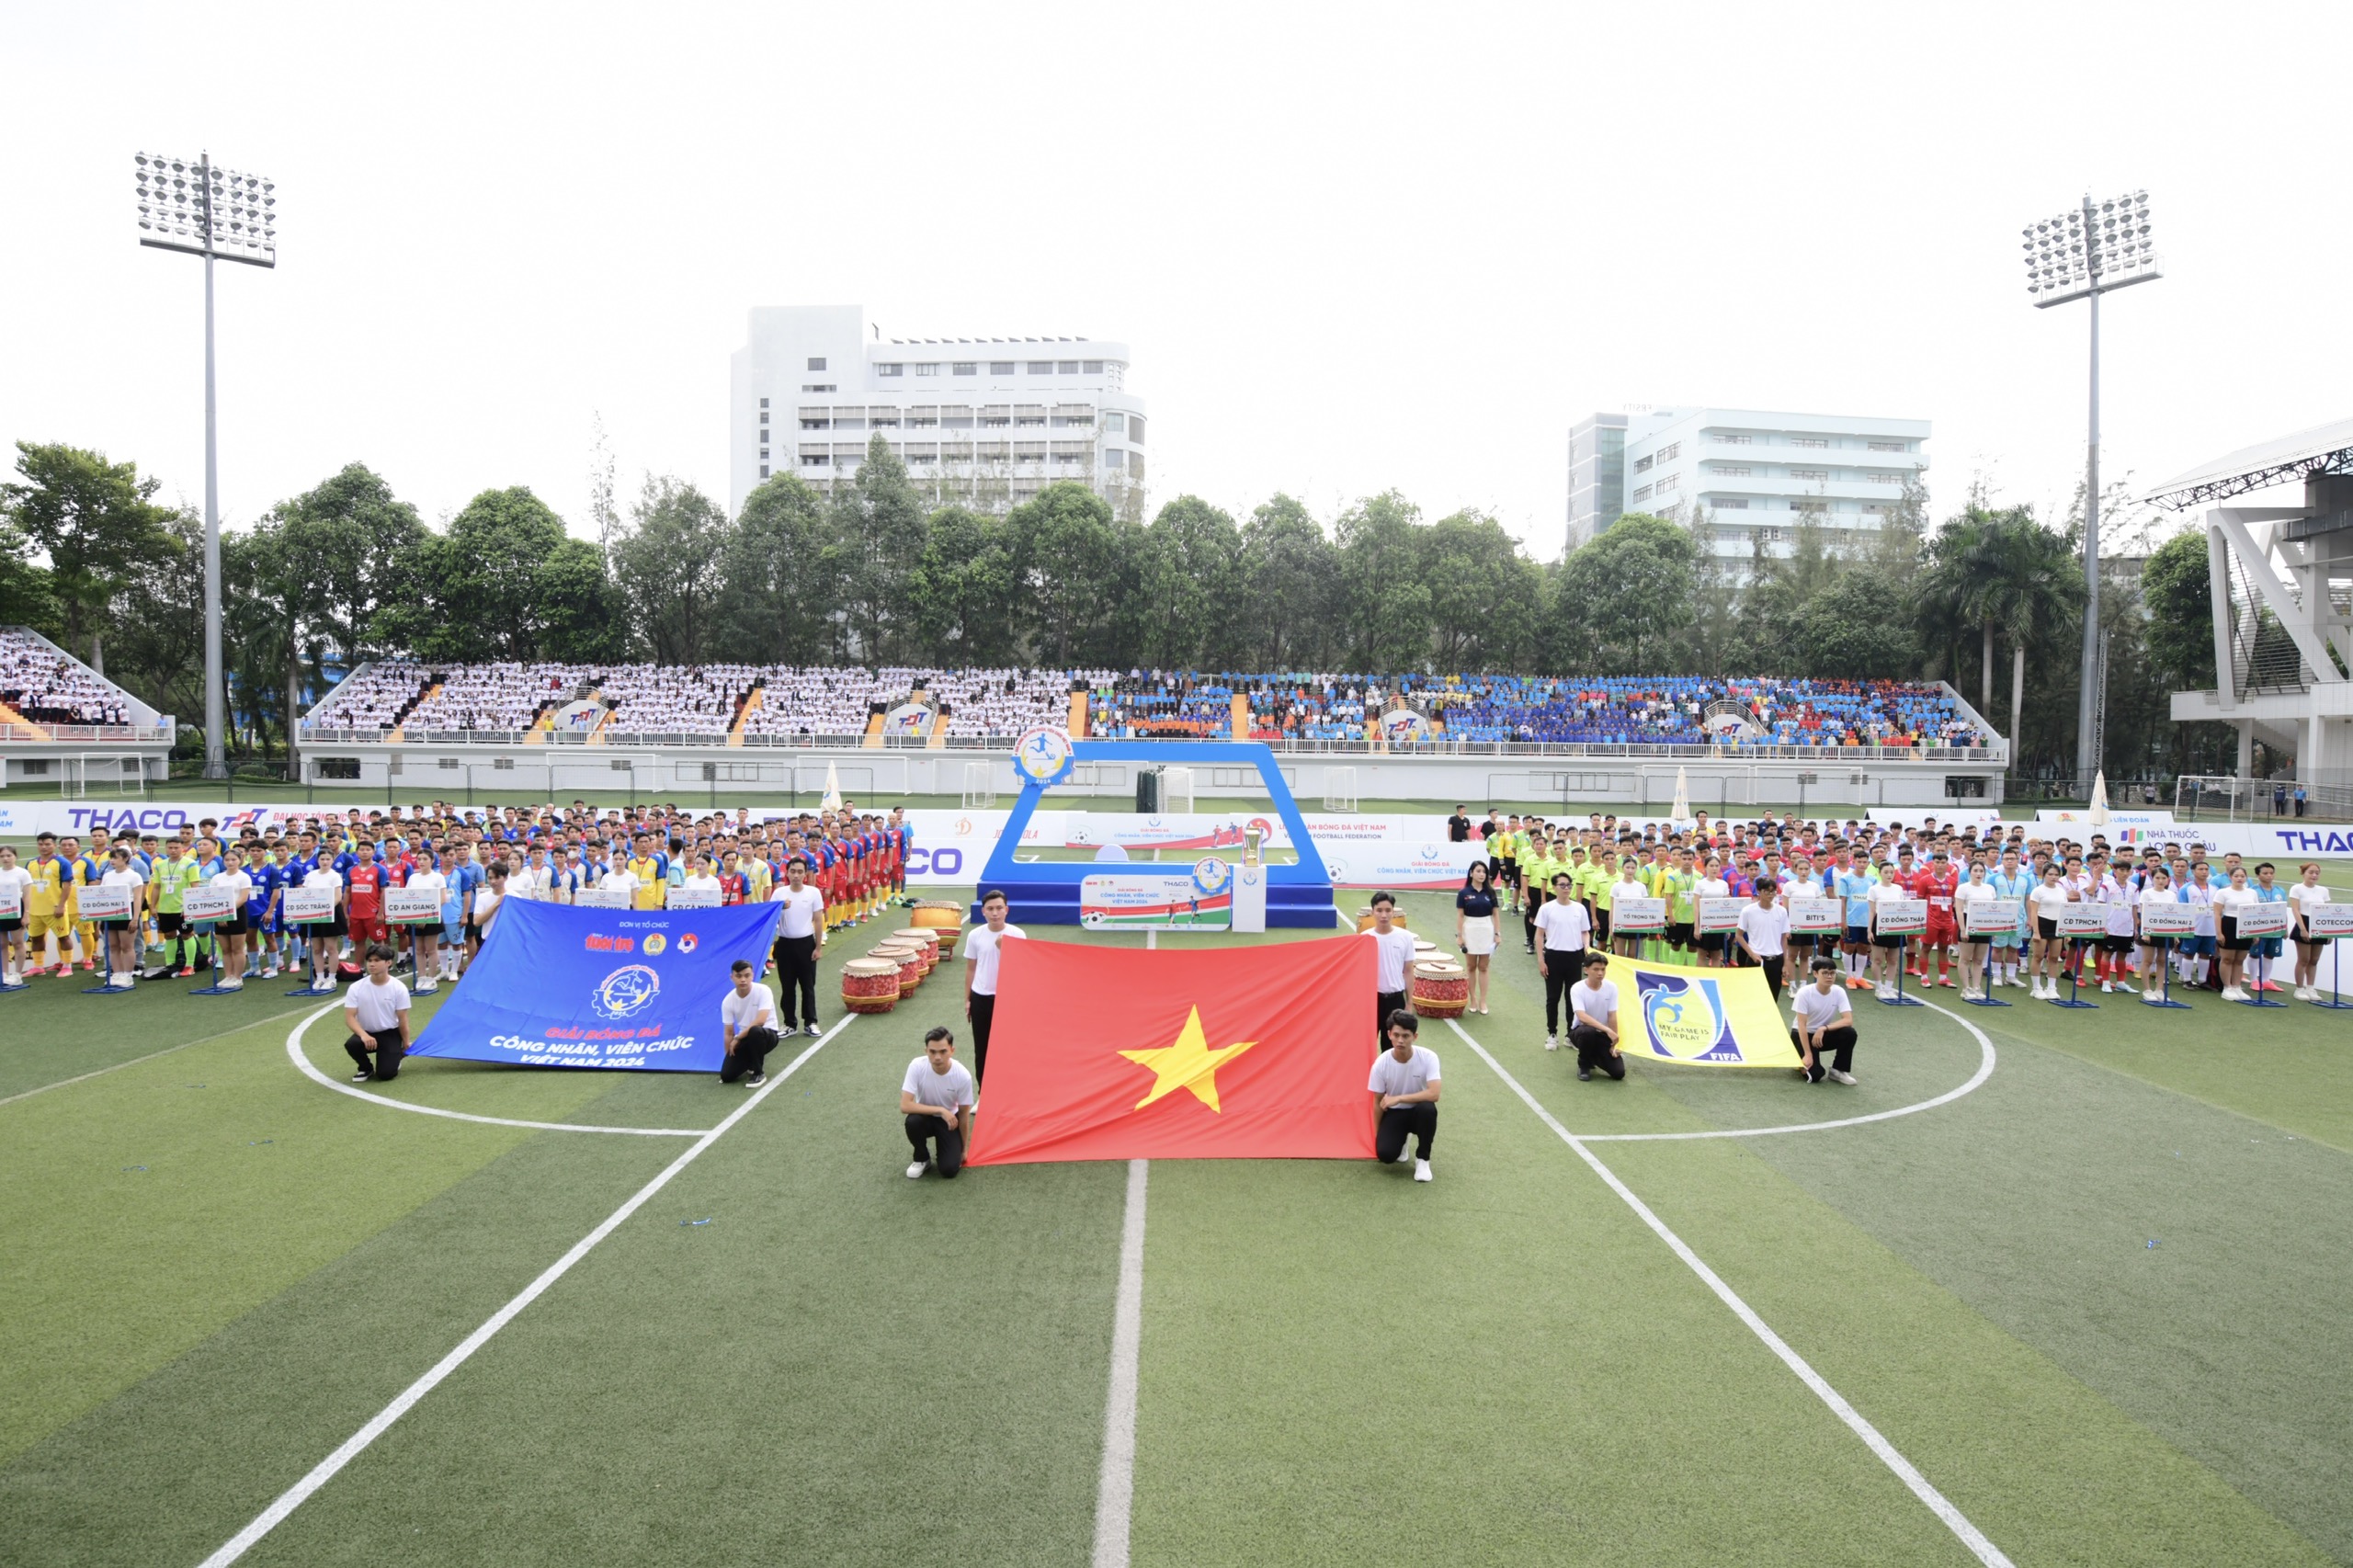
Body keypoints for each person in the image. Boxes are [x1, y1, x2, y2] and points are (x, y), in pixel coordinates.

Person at [1369, 1010, 1439, 1181]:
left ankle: (1423, 1160)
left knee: (1428, 1109)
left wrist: (1399, 1098)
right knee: (1385, 1155)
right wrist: (1379, 1136)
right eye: (1396, 1035)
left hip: (1418, 1111)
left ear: (1415, 1036)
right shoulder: (1380, 1064)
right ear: (1389, 1035)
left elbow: (1434, 1093)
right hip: (1395, 1114)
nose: (1400, 1040)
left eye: (1406, 1036)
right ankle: (1402, 1142)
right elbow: (1377, 1101)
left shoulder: (1429, 1057)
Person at [964, 889, 1025, 1084]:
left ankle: (1007, 1092)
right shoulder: (975, 935)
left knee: (1008, 1048)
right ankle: (984, 1094)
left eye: (999, 908)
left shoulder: (1017, 934)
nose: (995, 913)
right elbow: (971, 969)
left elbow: (1022, 968)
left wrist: (1004, 948)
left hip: (1008, 999)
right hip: (980, 998)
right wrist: (967, 999)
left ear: (1006, 909)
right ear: (983, 911)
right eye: (990, 909)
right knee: (982, 1049)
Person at [902, 1025, 976, 1179]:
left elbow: (963, 1114)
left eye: (943, 1051)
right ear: (926, 1051)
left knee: (949, 1170)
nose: (937, 1057)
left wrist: (963, 1149)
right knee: (912, 1121)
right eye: (932, 1052)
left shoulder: (962, 1076)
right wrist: (941, 1110)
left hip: (950, 1121)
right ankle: (922, 1159)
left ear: (952, 1050)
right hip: (927, 1117)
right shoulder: (916, 1066)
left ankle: (947, 1151)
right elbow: (905, 1105)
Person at [768, 855, 826, 1035]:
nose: (796, 875)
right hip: (785, 945)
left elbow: (818, 920)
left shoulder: (813, 892)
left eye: (800, 872)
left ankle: (811, 1022)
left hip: (806, 944)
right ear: (787, 873)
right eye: (793, 871)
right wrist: (779, 908)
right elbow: (770, 919)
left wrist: (818, 947)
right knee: (787, 987)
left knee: (808, 986)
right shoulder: (779, 893)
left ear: (805, 874)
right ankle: (789, 1024)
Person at [1534, 872, 1593, 1050]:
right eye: (1562, 885)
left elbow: (1585, 931)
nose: (1566, 888)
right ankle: (1552, 1034)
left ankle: (1571, 1034)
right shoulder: (1546, 908)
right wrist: (1541, 960)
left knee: (1572, 998)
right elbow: (1539, 934)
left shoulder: (1580, 908)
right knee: (1553, 998)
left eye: (1569, 885)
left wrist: (1587, 948)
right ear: (1554, 888)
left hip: (1575, 957)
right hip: (1553, 956)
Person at [342, 941, 412, 1082]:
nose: (371, 964)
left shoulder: (399, 988)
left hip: (390, 1033)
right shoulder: (356, 987)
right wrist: (363, 1035)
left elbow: (402, 1019)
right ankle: (365, 1068)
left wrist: (406, 1042)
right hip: (367, 1033)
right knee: (352, 1044)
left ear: (388, 963)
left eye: (377, 960)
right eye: (369, 960)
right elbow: (350, 1017)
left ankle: (396, 1056)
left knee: (385, 1075)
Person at [1790, 957, 1858, 1085]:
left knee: (1849, 1033)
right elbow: (1801, 1025)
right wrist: (1808, 1054)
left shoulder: (1838, 991)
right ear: (1815, 974)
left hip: (1820, 1035)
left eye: (1832, 973)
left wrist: (1823, 1028)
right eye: (1825, 973)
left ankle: (1838, 1070)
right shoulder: (1804, 993)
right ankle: (1799, 1059)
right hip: (1802, 1035)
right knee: (1815, 1075)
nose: (1829, 976)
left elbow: (1848, 1020)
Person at [719, 958, 781, 1086]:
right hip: (746, 1038)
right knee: (726, 1076)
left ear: (752, 976)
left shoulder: (764, 991)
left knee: (755, 1031)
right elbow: (728, 1033)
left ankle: (758, 1072)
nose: (743, 980)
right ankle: (750, 1061)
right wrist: (729, 1057)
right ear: (732, 977)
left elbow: (760, 1021)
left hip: (767, 1034)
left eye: (747, 976)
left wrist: (737, 1039)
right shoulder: (728, 1001)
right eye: (739, 976)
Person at [1564, 951, 1625, 1082]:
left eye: (1603, 969)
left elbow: (1612, 1015)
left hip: (1603, 1035)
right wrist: (1608, 1030)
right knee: (1588, 1032)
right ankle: (1584, 1065)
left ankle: (1592, 1055)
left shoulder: (1612, 987)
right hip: (1581, 1032)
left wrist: (1613, 1044)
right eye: (1596, 969)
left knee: (1618, 1073)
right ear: (1586, 970)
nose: (1600, 973)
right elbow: (1582, 1017)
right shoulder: (1577, 988)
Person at [1364, 892, 1416, 1041]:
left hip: (1396, 1001)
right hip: (1372, 1000)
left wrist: (1409, 1003)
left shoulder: (1405, 937)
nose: (1384, 915)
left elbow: (1408, 971)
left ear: (1393, 912)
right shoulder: (1365, 938)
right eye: (1379, 910)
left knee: (1392, 1047)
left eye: (1388, 910)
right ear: (1372, 911)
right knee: (1366, 1044)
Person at [207, 846, 256, 989]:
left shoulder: (243, 877)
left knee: (237, 948)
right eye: (227, 860)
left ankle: (237, 977)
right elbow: (212, 896)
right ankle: (228, 976)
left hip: (237, 914)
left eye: (233, 859)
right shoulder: (217, 877)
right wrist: (219, 914)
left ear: (240, 860)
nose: (230, 862)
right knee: (225, 949)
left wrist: (228, 913)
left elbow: (243, 898)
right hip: (219, 915)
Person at [1734, 878, 1790, 998]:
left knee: (1773, 997)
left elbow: (1783, 939)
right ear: (1759, 891)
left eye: (1773, 891)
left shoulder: (1781, 911)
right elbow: (1738, 936)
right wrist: (1752, 954)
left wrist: (1785, 964)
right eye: (1767, 891)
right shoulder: (1748, 911)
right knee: (1753, 997)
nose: (1771, 894)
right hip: (1756, 960)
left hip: (1776, 960)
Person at [1454, 861, 1498, 1016]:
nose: (1481, 874)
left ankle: (1483, 1000)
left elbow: (1496, 914)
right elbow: (1460, 915)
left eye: (1484, 872)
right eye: (1478, 871)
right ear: (1471, 873)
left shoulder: (1490, 892)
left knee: (1484, 967)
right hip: (1470, 928)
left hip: (1486, 928)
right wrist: (1460, 936)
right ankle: (1472, 999)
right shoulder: (1463, 893)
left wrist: (1497, 934)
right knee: (1471, 966)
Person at [2212, 865, 2258, 1001]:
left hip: (2246, 926)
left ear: (2246, 878)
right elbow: (2217, 913)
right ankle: (2227, 987)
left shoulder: (2252, 892)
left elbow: (2255, 912)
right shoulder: (2223, 892)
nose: (2239, 878)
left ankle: (2237, 986)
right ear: (2231, 877)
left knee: (2239, 959)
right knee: (2227, 958)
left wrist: (2255, 933)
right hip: (2229, 925)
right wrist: (2219, 933)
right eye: (2236, 876)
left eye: (2242, 876)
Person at [2290, 861, 2332, 1001]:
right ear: (2304, 873)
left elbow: (2326, 912)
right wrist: (2302, 929)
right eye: (2311, 872)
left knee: (2314, 960)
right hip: (2304, 923)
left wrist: (2329, 931)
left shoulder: (2323, 890)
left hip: (2319, 925)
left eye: (2317, 873)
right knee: (2304, 959)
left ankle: (2310, 988)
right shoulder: (2297, 889)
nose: (2314, 875)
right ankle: (2299, 989)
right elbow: (2296, 910)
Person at [0, 843, 30, 984]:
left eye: (9, 855)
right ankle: (4, 973)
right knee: (2, 943)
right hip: (1, 910)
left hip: (17, 909)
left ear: (15, 857)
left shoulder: (22, 873)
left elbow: (27, 895)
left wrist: (27, 914)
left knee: (18, 943)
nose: (5, 859)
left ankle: (18, 974)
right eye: (2, 856)